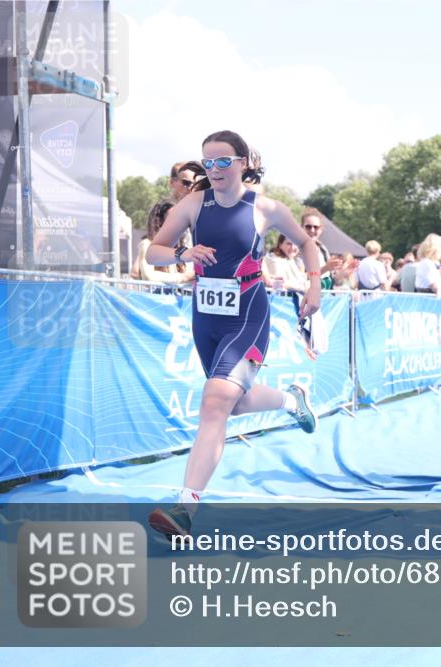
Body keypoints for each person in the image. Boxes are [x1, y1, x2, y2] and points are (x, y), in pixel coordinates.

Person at [145, 130, 322, 539]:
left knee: (215, 400)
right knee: (230, 405)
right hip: (205, 315)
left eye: (224, 161)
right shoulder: (193, 204)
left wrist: (313, 285)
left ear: (243, 162)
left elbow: (306, 244)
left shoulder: (266, 208)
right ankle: (291, 400)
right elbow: (155, 250)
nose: (215, 169)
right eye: (208, 162)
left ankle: (183, 510)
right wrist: (181, 253)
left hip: (247, 312)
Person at [134, 200, 195, 284]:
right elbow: (148, 275)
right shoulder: (147, 244)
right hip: (156, 296)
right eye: (172, 218)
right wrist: (182, 277)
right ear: (159, 222)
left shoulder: (179, 246)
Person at [301, 208, 344, 289]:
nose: (312, 230)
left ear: (321, 230)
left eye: (316, 227)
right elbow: (300, 278)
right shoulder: (296, 250)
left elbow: (332, 279)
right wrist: (326, 268)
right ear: (301, 227)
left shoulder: (323, 249)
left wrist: (343, 273)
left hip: (325, 297)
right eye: (308, 227)